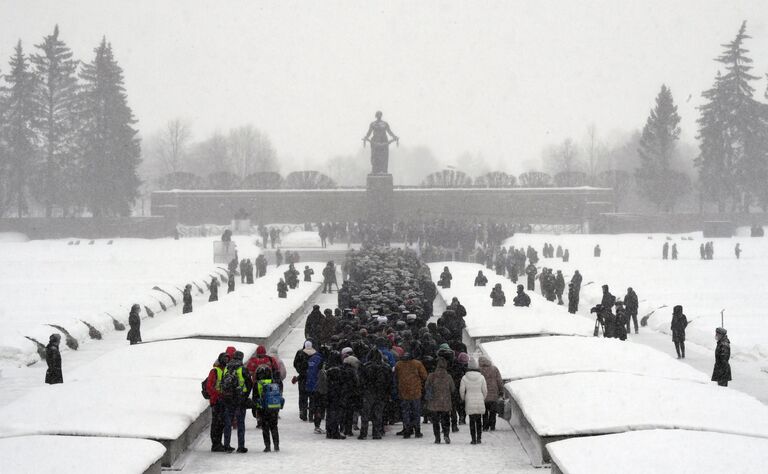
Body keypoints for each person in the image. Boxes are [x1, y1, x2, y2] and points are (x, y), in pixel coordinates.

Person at [221, 351, 252, 453]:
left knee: (228, 423)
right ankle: (241, 446)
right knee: (240, 423)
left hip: (228, 399)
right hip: (240, 399)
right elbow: (249, 384)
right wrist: (245, 396)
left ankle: (226, 445)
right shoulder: (242, 369)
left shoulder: (226, 368)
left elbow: (222, 382)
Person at [359, 348, 392, 440]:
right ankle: (376, 432)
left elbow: (361, 381)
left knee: (365, 413)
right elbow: (389, 382)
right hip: (381, 392)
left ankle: (363, 433)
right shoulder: (386, 367)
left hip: (368, 392)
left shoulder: (365, 366)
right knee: (378, 413)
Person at [394, 352, 428, 438]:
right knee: (416, 412)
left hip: (403, 392)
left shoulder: (399, 364)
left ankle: (407, 430)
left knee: (405, 412)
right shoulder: (417, 364)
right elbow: (424, 376)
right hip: (415, 392)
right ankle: (417, 431)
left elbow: (395, 377)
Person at [424, 357, 455, 444]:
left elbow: (426, 387)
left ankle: (437, 438)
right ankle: (446, 435)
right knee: (446, 420)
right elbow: (452, 389)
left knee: (435, 421)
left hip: (434, 402)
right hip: (445, 402)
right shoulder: (448, 376)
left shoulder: (431, 376)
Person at [254, 365, 284, 452]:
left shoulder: (258, 384)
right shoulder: (274, 382)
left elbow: (255, 398)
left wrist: (255, 409)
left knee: (265, 428)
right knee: (274, 427)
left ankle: (267, 446)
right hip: (273, 408)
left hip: (263, 409)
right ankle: (276, 445)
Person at [460, 358, 487, 445]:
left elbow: (461, 390)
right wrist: (483, 398)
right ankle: (479, 438)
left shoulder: (464, 377)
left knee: (472, 420)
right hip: (479, 398)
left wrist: (463, 398)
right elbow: (485, 390)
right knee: (479, 420)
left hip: (469, 399)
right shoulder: (481, 377)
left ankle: (473, 439)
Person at [206, 352, 229, 452]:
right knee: (216, 423)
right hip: (217, 401)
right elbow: (209, 386)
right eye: (224, 359)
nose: (226, 361)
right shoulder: (215, 371)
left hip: (223, 400)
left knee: (221, 423)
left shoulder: (225, 370)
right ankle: (215, 444)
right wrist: (217, 395)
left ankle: (218, 443)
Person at [478, 355, 503, 432]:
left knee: (484, 412)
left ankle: (485, 426)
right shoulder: (494, 369)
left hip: (483, 394)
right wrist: (501, 391)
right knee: (493, 411)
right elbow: (499, 381)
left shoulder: (479, 370)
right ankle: (492, 426)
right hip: (494, 393)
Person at [293, 340, 315, 421]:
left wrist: (300, 371)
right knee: (312, 397)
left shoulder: (300, 353)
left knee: (303, 396)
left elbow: (295, 363)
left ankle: (303, 412)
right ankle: (311, 415)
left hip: (302, 378)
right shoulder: (315, 353)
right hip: (312, 378)